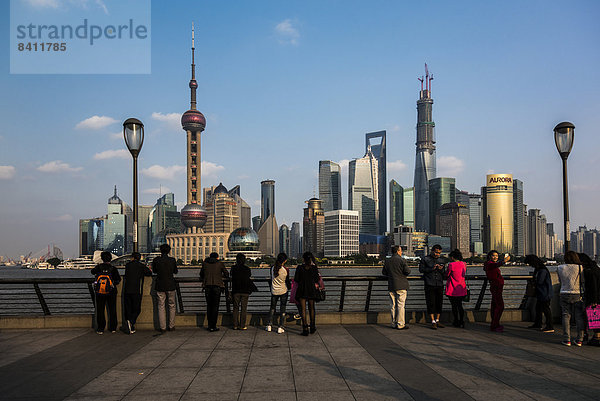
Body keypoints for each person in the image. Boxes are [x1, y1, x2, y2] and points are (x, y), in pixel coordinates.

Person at [557, 251, 586, 346]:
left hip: (564, 292)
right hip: (577, 293)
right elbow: (582, 281)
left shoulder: (560, 267)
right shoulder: (579, 267)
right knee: (579, 316)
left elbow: (560, 281)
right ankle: (579, 339)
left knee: (566, 316)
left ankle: (567, 339)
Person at [91, 251, 121, 334]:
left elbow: (92, 272)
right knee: (112, 309)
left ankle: (101, 328)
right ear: (111, 259)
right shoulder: (113, 268)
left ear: (102, 258)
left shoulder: (98, 267)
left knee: (100, 310)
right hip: (111, 291)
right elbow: (118, 279)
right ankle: (113, 328)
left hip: (99, 292)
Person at [382, 245, 411, 330]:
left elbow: (384, 272)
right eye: (401, 251)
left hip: (391, 285)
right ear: (398, 251)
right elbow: (407, 271)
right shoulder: (402, 260)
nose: (401, 252)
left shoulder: (387, 261)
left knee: (393, 305)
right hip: (401, 285)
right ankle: (400, 324)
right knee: (401, 305)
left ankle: (393, 323)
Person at [123, 252, 152, 334]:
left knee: (128, 308)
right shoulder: (141, 266)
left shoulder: (128, 265)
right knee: (137, 309)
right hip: (136, 290)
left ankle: (130, 324)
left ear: (132, 257)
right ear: (139, 258)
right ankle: (131, 322)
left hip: (127, 289)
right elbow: (149, 273)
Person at [152, 244, 178, 333]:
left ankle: (162, 327)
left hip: (160, 285)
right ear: (169, 251)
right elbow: (176, 271)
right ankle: (171, 326)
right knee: (172, 305)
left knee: (161, 306)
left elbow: (154, 271)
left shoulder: (156, 260)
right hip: (171, 285)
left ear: (160, 250)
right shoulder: (172, 260)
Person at [524, 254, 554, 333]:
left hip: (545, 293)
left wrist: (533, 281)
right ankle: (538, 323)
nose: (530, 265)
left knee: (546, 309)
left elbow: (540, 281)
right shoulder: (539, 269)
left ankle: (550, 326)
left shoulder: (542, 270)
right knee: (538, 308)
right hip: (542, 292)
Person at [200, 252, 229, 332]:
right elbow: (226, 274)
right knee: (215, 307)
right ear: (217, 257)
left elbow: (201, 274)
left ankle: (209, 325)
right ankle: (214, 325)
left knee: (209, 306)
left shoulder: (205, 264)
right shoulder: (220, 264)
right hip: (217, 287)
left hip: (207, 287)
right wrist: (220, 276)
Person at [419, 244, 446, 329]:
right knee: (431, 302)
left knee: (439, 302)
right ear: (432, 251)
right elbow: (421, 270)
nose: (437, 254)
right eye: (436, 252)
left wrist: (441, 269)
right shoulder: (425, 259)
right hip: (429, 283)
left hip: (439, 284)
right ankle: (432, 321)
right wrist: (432, 268)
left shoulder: (442, 260)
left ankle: (437, 320)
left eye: (439, 253)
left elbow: (444, 273)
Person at [294, 252, 320, 336]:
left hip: (302, 290)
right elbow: (317, 279)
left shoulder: (299, 268)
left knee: (303, 310)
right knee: (312, 308)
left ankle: (305, 328)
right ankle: (312, 326)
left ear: (303, 259)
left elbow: (296, 279)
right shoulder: (314, 268)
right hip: (311, 290)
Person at [484, 249, 510, 332]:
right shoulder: (489, 264)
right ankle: (494, 325)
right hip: (496, 287)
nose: (495, 257)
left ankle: (495, 324)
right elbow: (497, 265)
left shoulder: (490, 264)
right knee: (500, 306)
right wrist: (504, 261)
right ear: (489, 256)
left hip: (496, 287)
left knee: (495, 305)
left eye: (496, 256)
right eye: (493, 255)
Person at [579, 253, 600, 345]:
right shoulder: (596, 269)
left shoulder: (589, 272)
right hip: (597, 296)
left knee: (594, 317)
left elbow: (593, 287)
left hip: (594, 298)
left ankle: (597, 337)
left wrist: (593, 300)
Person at [230, 253, 255, 330]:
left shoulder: (233, 268)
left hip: (236, 290)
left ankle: (235, 325)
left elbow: (231, 275)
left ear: (236, 260)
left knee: (235, 308)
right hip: (245, 290)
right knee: (244, 309)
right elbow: (249, 276)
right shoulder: (247, 269)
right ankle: (242, 325)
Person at [267, 253, 290, 334]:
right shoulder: (285, 270)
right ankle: (280, 327)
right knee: (282, 309)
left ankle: (269, 325)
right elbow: (287, 282)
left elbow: (270, 279)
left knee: (272, 308)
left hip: (274, 291)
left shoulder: (272, 268)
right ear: (284, 261)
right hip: (283, 291)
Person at [446, 249, 467, 328]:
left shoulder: (451, 265)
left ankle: (456, 321)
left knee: (454, 306)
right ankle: (462, 320)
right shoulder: (464, 264)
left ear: (452, 257)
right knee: (460, 306)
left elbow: (447, 274)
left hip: (452, 289)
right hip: (461, 288)